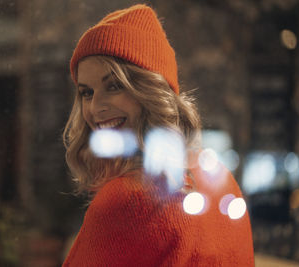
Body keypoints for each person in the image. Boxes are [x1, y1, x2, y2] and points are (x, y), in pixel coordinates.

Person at [62, 4, 254, 266]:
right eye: (87, 92)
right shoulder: (219, 177)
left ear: (151, 92)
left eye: (115, 86)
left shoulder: (123, 199)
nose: (95, 107)